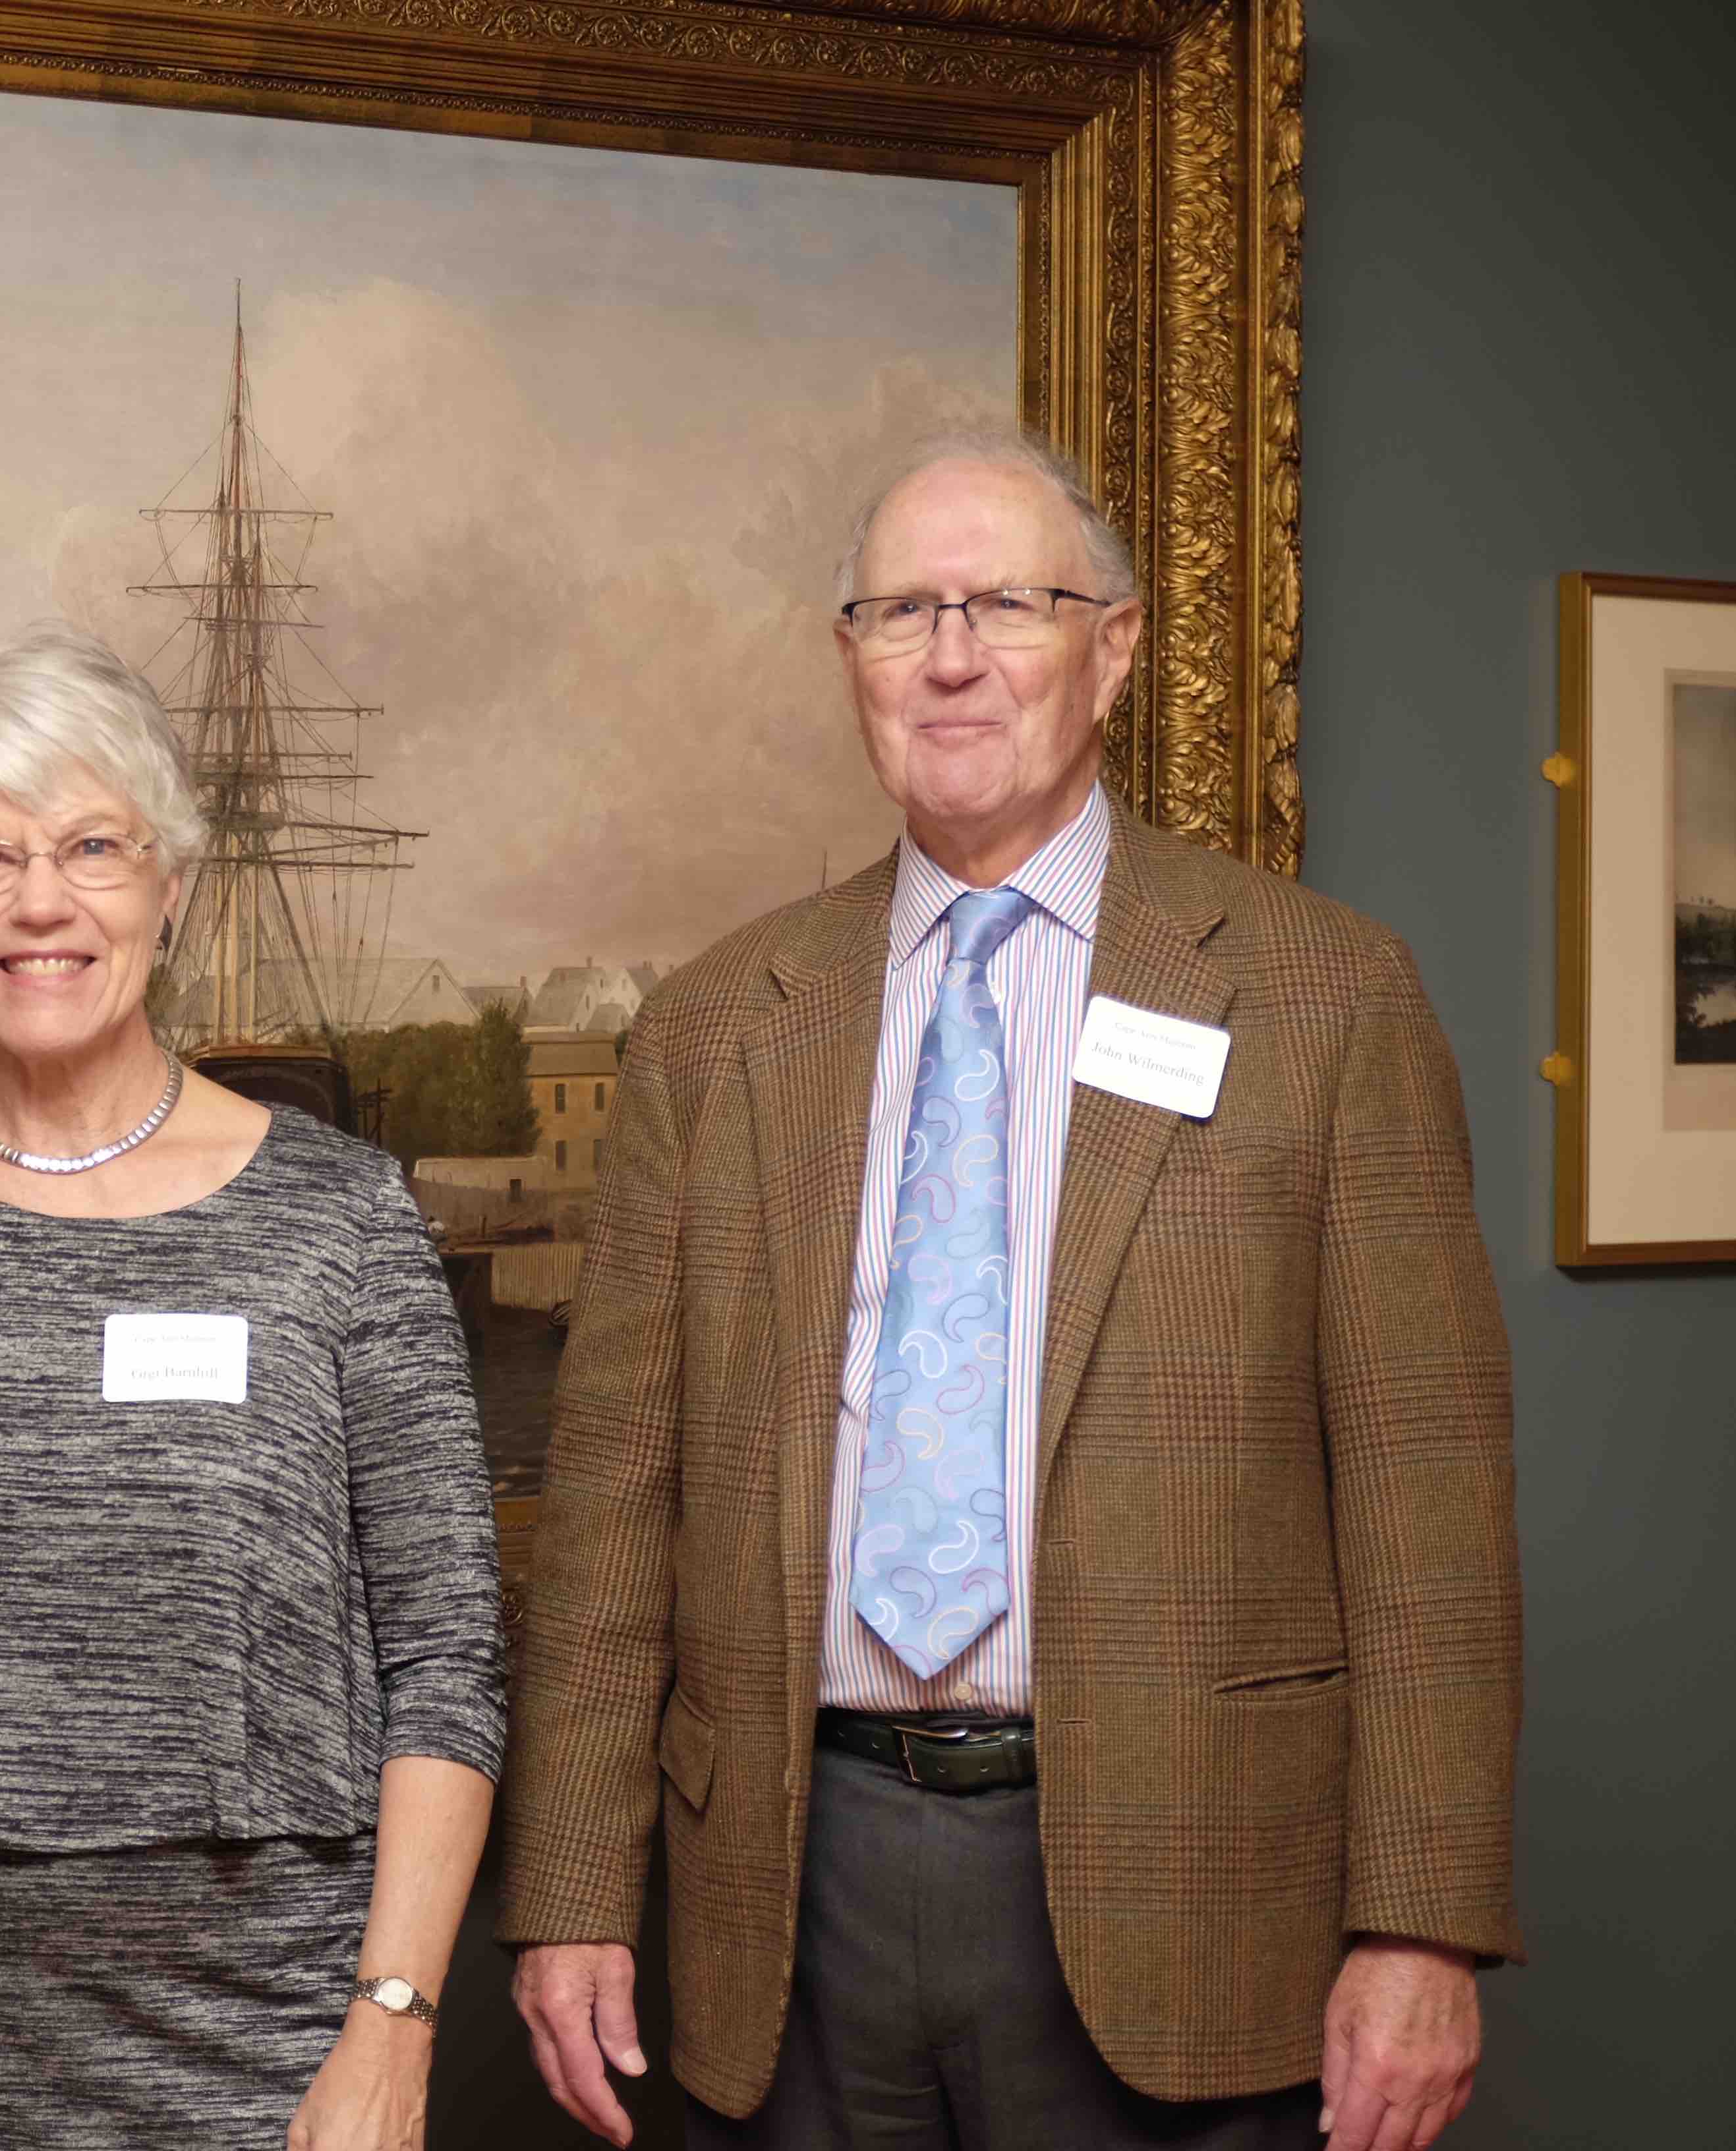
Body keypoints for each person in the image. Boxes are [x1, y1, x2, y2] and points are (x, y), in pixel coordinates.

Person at [500, 428, 1522, 2151]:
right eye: (903, 612)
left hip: (1197, 1894)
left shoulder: (1323, 1001)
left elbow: (1428, 1495)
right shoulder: (715, 1025)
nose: (954, 655)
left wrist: (1418, 1925)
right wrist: (573, 1888)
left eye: (1007, 606)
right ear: (852, 662)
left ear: (1113, 648)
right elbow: (621, 1499)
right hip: (790, 1887)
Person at [0, 623, 507, 2151]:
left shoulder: (340, 1220)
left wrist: (395, 2031)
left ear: (172, 879)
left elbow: (447, 1657)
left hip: (269, 2056)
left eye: (94, 847)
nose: (43, 904)